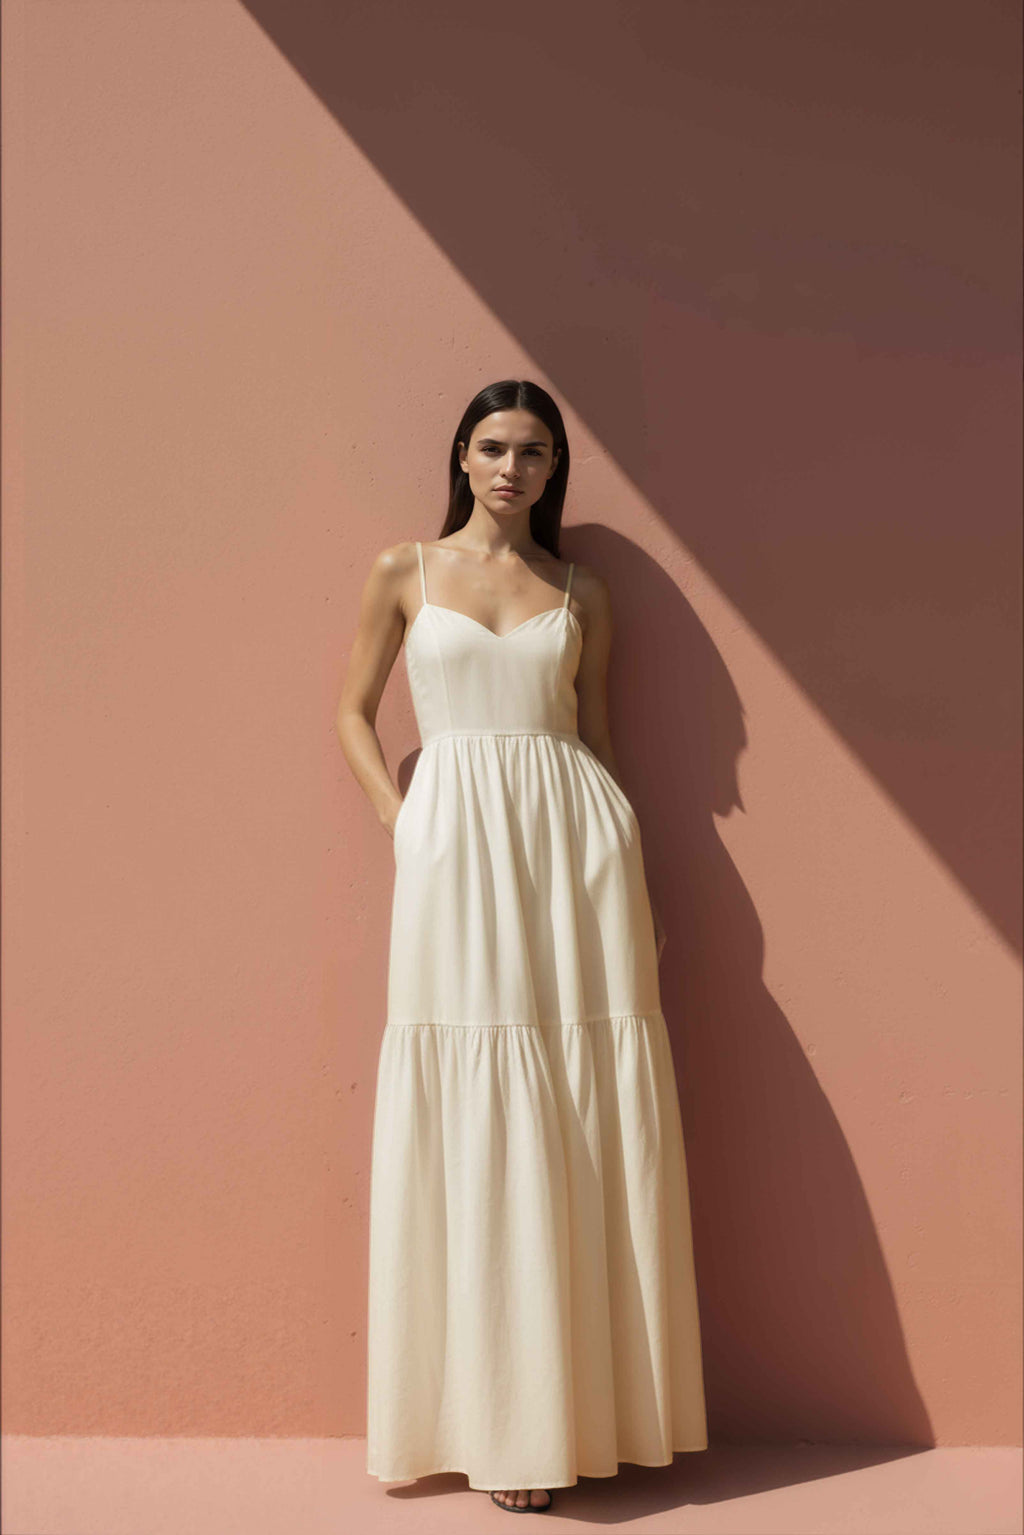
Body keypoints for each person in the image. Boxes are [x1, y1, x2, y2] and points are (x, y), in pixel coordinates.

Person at [336, 379, 708, 1515]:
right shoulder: (403, 569)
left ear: (554, 470)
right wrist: (407, 826)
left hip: (576, 852)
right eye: (494, 446)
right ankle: (497, 1418)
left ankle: (576, 1414)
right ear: (460, 453)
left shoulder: (580, 587)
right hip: (453, 852)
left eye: (536, 452)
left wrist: (629, 870)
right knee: (478, 1087)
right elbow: (352, 711)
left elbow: (595, 736)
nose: (513, 467)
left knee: (579, 1101)